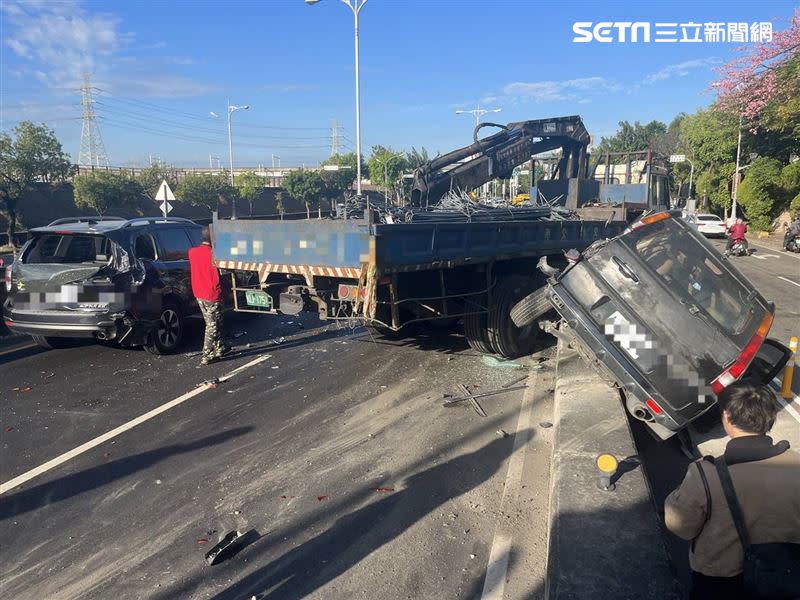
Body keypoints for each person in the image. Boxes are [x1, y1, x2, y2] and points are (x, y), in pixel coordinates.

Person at [664, 381, 800, 599]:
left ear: (727, 417)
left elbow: (680, 526)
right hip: (783, 574)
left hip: (719, 579)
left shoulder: (705, 475)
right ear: (771, 419)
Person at [188, 226, 230, 365]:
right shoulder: (215, 254)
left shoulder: (192, 252)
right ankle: (207, 355)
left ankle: (220, 347)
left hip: (199, 293)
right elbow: (224, 273)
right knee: (212, 326)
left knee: (213, 321)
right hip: (213, 293)